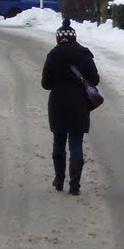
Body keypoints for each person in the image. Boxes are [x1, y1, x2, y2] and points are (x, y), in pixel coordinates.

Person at [41, 18, 100, 196]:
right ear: (74, 37)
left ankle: (59, 180)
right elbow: (95, 79)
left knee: (58, 140)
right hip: (79, 101)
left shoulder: (52, 55)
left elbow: (45, 84)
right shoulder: (84, 54)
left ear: (58, 38)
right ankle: (75, 184)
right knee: (76, 141)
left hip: (58, 101)